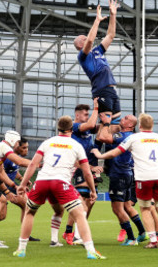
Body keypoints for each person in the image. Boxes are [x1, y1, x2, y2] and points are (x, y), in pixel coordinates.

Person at [12, 115, 105, 260]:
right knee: (80, 214)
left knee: (30, 212)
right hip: (60, 182)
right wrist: (93, 190)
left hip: (42, 181)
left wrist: (22, 185)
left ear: (58, 128)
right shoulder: (76, 145)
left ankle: (21, 249)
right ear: (71, 129)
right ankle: (90, 250)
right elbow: (87, 172)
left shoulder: (48, 142)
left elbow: (32, 165)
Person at [94, 113, 158, 249]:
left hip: (144, 177)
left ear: (139, 125)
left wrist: (99, 155)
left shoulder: (134, 138)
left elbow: (115, 152)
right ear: (152, 125)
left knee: (145, 209)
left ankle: (153, 240)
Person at [96, 112, 147, 245]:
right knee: (127, 206)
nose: (122, 119)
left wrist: (106, 122)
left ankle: (131, 238)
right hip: (128, 174)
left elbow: (102, 136)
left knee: (117, 208)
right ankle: (142, 232)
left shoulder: (123, 136)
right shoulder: (132, 137)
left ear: (130, 125)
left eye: (126, 118)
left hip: (119, 175)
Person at [61, 100, 103, 246]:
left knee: (90, 202)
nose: (87, 116)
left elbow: (100, 128)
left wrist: (108, 120)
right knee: (81, 203)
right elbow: (91, 124)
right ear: (77, 115)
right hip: (80, 168)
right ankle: (77, 235)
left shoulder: (87, 131)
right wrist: (97, 107)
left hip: (91, 168)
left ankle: (69, 231)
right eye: (85, 114)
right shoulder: (75, 126)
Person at [74, 0, 122, 124]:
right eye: (84, 38)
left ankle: (110, 143)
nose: (88, 38)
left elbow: (110, 35)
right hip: (101, 90)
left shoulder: (97, 51)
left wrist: (113, 15)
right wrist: (97, 20)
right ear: (80, 45)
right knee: (105, 123)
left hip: (111, 89)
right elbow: (90, 40)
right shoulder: (82, 56)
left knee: (115, 123)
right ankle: (98, 144)